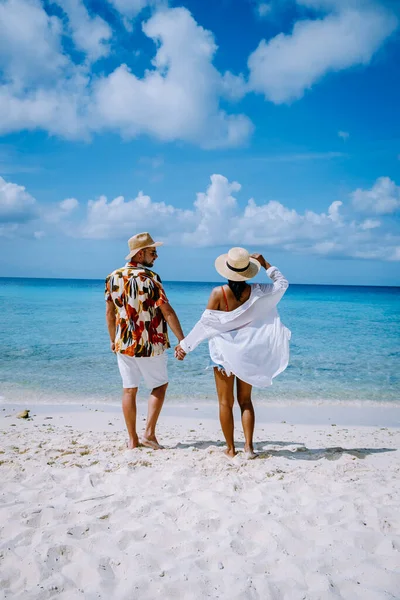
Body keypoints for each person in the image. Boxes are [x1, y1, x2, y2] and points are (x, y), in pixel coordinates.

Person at [175, 247, 290, 459]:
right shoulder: (258, 290)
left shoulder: (219, 293)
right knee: (245, 401)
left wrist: (184, 346)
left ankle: (230, 449)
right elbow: (283, 284)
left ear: (226, 271)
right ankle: (248, 447)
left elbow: (204, 325)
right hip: (248, 354)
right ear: (247, 271)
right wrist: (266, 264)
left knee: (225, 403)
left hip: (222, 356)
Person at [105, 232, 185, 450]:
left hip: (124, 342)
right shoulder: (151, 278)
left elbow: (110, 313)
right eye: (153, 252)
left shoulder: (113, 277)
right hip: (151, 343)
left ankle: (132, 440)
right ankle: (148, 434)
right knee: (159, 385)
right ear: (140, 254)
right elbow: (166, 311)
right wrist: (182, 340)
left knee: (129, 389)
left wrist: (113, 340)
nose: (156, 256)